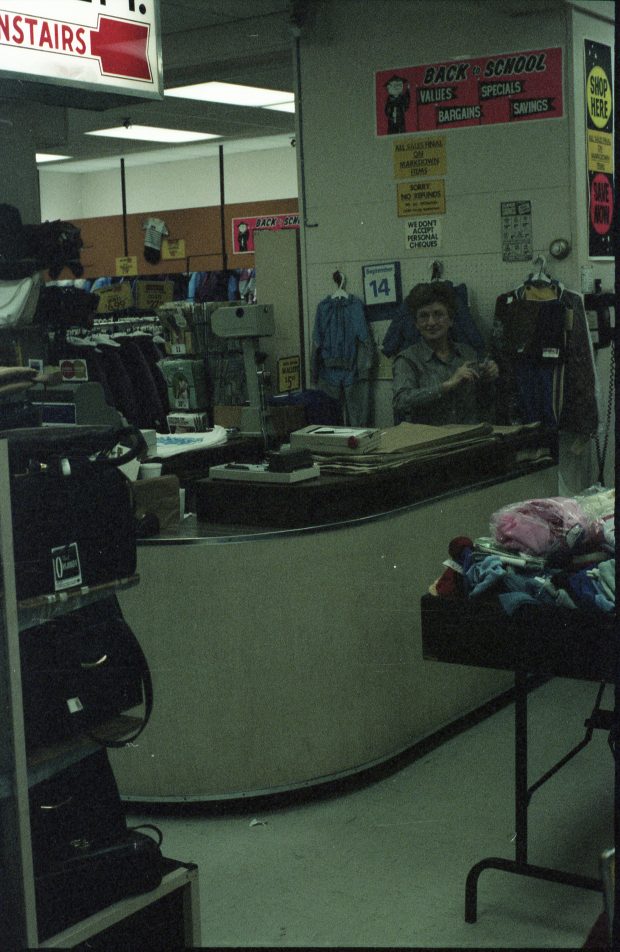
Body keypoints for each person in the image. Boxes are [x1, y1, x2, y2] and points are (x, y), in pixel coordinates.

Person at [392, 282, 499, 425]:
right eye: (423, 316)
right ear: (416, 324)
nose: (431, 322)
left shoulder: (468, 353)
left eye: (438, 314)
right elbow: (401, 401)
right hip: (431, 442)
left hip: (469, 438)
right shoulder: (407, 360)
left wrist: (488, 378)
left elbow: (483, 402)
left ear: (451, 320)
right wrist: (447, 385)